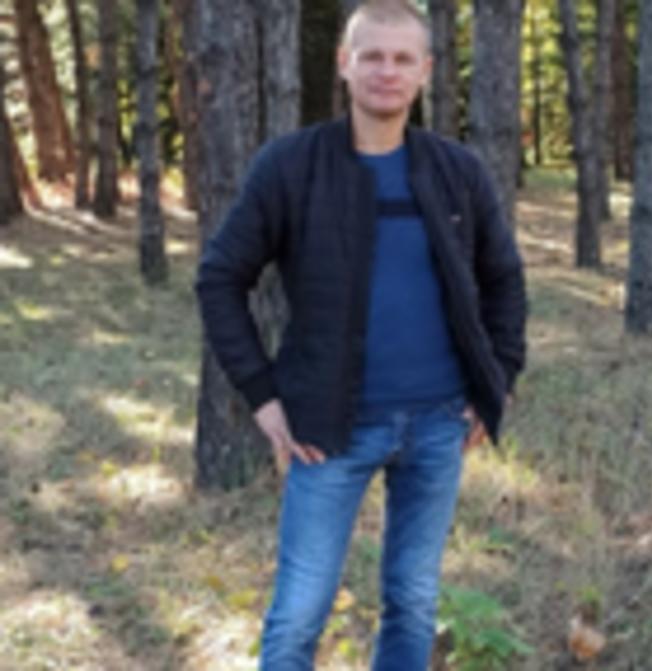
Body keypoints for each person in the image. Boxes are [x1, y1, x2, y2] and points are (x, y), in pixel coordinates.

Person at [195, 1, 527, 668]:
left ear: (426, 71)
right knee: (298, 614)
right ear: (344, 64)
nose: (387, 71)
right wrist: (262, 395)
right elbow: (219, 277)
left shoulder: (456, 169)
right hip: (327, 428)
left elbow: (503, 280)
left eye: (403, 58)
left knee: (413, 601)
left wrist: (496, 382)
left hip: (439, 424)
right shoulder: (291, 166)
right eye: (372, 55)